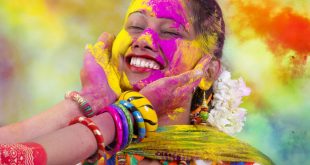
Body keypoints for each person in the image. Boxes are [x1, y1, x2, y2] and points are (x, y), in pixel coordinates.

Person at [0, 0, 274, 164]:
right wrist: (92, 99)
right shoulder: (73, 150)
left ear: (209, 72)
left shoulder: (238, 162)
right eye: (135, 26)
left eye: (169, 31)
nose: (143, 39)